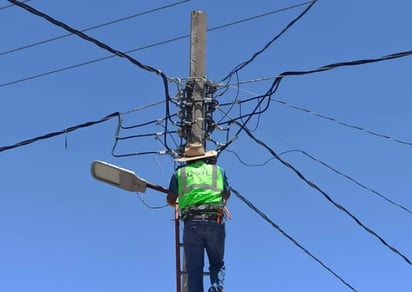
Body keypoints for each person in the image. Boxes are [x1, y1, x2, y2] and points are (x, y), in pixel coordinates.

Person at [167, 142, 230, 292]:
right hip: (216, 219)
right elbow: (226, 193)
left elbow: (170, 199)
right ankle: (216, 288)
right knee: (217, 263)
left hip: (192, 222)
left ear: (186, 159)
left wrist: (182, 200)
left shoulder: (179, 174)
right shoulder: (218, 171)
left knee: (194, 268)